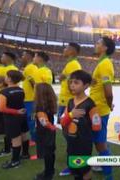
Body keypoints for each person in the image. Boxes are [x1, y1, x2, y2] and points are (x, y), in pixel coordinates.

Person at [60, 70, 101, 180]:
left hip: (83, 143)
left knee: (84, 169)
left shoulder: (90, 104)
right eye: (71, 82)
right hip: (72, 142)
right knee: (75, 169)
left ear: (86, 85)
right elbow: (63, 122)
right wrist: (71, 115)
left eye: (76, 82)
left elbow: (97, 126)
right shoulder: (70, 102)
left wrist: (86, 122)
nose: (72, 85)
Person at [90, 36, 115, 179]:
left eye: (98, 43)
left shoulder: (105, 64)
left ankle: (108, 175)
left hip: (99, 110)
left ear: (105, 48)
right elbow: (99, 84)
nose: (96, 44)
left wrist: (109, 103)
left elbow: (108, 90)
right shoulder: (101, 63)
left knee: (100, 144)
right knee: (99, 141)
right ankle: (105, 164)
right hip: (96, 108)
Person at [58, 42, 82, 176]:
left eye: (66, 47)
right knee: (68, 134)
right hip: (65, 101)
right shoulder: (70, 64)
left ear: (72, 51)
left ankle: (74, 165)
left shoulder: (73, 65)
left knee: (71, 135)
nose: (64, 49)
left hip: (68, 103)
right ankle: (74, 162)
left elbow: (75, 85)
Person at [0, 70, 29, 169]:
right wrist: (19, 112)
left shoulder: (3, 92)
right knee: (24, 134)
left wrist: (16, 112)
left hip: (12, 118)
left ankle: (15, 161)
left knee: (15, 139)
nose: (5, 78)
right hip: (22, 116)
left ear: (10, 79)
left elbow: (1, 108)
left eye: (6, 76)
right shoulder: (21, 90)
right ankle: (25, 154)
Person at [34, 83, 57, 180]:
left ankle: (48, 174)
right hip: (50, 133)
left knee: (47, 153)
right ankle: (50, 170)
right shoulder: (50, 105)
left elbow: (44, 122)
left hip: (44, 133)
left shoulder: (40, 107)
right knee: (50, 152)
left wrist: (52, 127)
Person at [21, 50, 38, 146]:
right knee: (29, 120)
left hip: (31, 100)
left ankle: (34, 139)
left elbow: (34, 83)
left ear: (28, 56)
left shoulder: (30, 67)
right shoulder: (28, 67)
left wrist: (35, 99)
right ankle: (31, 138)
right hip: (27, 99)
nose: (22, 57)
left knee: (31, 120)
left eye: (23, 55)